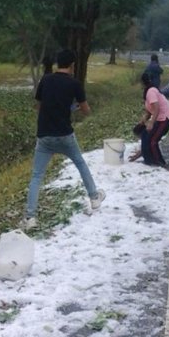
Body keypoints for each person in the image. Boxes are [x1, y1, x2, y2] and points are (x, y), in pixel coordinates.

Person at [24, 48, 104, 230]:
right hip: (65, 135)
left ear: (57, 64)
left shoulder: (46, 79)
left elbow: (39, 106)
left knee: (37, 176)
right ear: (72, 65)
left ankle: (30, 218)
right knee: (81, 164)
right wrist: (72, 107)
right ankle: (94, 198)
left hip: (44, 136)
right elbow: (86, 110)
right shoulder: (74, 84)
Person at [129, 71, 169, 166]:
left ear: (142, 82)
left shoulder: (151, 92)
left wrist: (151, 123)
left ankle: (159, 163)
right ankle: (150, 160)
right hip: (160, 118)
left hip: (166, 118)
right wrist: (143, 120)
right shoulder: (148, 91)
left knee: (153, 141)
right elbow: (149, 111)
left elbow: (156, 108)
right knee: (147, 137)